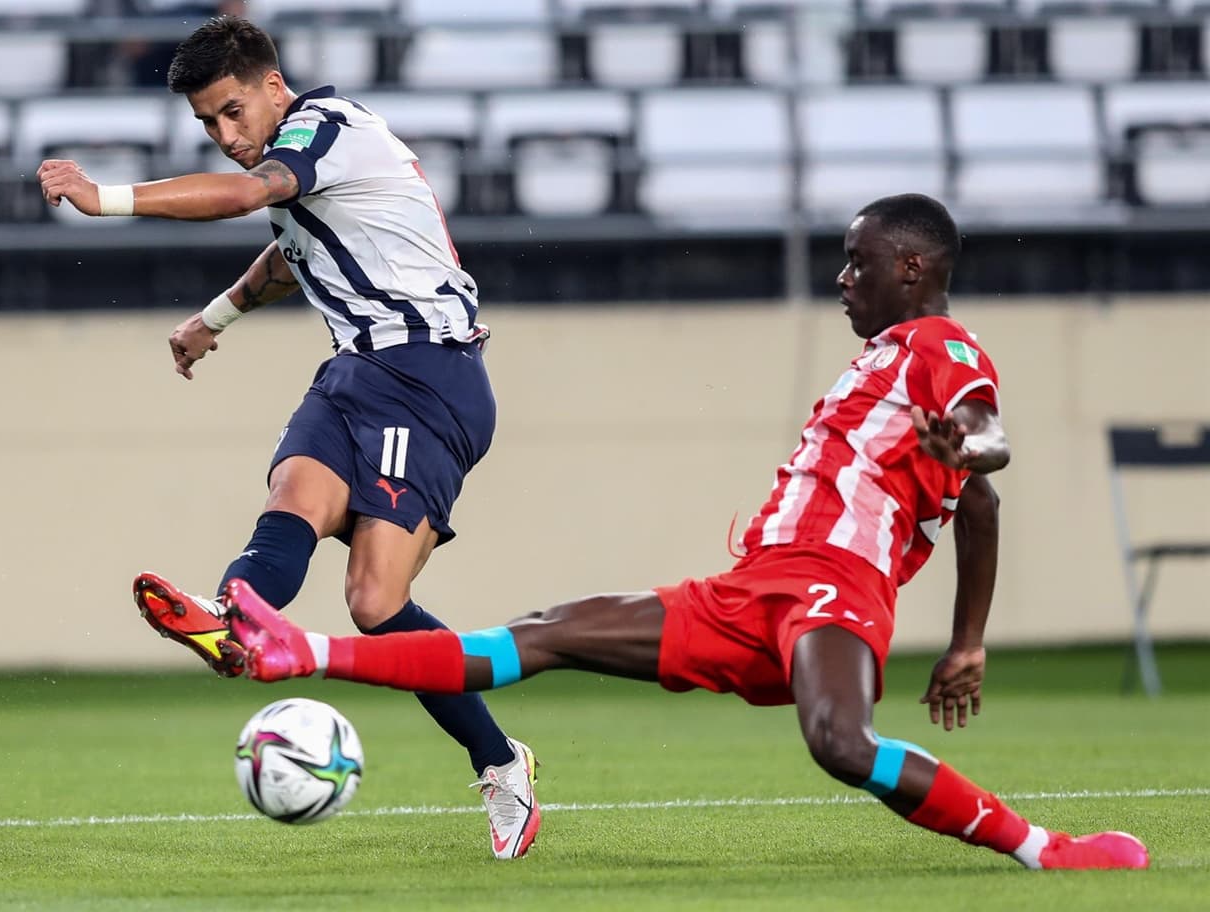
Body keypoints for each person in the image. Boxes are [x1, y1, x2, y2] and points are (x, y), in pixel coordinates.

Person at [217, 194, 1149, 871]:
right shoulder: (882, 363)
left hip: (834, 584)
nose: (842, 279)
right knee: (540, 635)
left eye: (857, 262)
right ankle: (302, 652)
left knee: (841, 743)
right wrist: (969, 639)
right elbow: (979, 509)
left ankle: (1044, 849)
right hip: (752, 591)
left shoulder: (938, 347)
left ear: (911, 269)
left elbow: (987, 444)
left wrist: (973, 450)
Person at [35, 16, 540, 860]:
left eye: (232, 112)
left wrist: (103, 199)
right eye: (207, 123)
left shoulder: (324, 128)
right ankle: (231, 618)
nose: (225, 136)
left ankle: (500, 761)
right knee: (292, 497)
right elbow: (286, 256)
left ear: (274, 86)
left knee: (374, 604)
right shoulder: (298, 170)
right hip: (357, 371)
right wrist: (213, 318)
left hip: (430, 374)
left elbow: (245, 198)